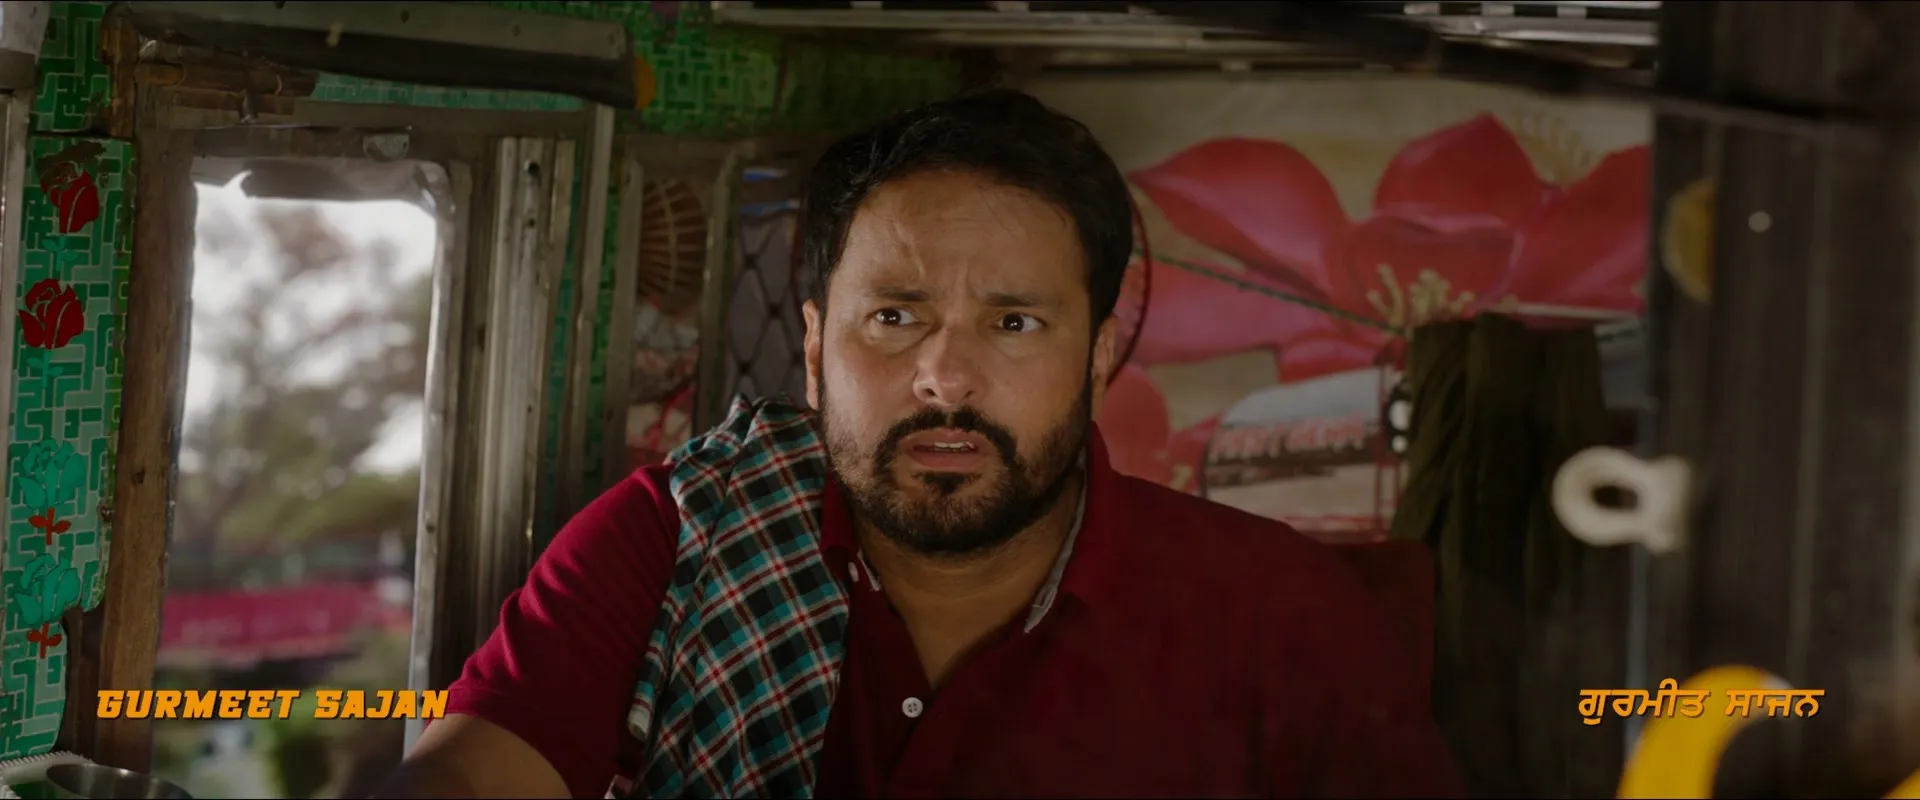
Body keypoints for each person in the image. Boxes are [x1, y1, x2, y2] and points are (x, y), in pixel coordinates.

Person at [376, 88, 1463, 799]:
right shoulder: (683, 537)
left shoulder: (1282, 614)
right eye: (893, 317)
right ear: (815, 351)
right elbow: (474, 771)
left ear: (1096, 356)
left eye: (1014, 323)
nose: (946, 377)